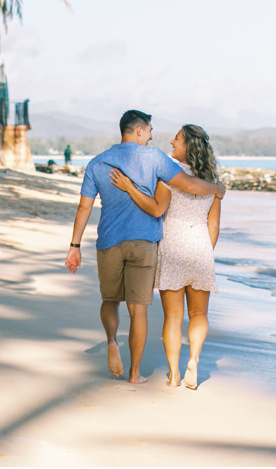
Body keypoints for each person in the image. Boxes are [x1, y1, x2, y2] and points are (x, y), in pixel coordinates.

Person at [64, 110, 225, 384]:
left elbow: (90, 207)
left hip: (135, 243)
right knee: (161, 311)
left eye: (176, 138)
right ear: (139, 130)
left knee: (122, 304)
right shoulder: (167, 164)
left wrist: (74, 245)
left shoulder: (101, 163)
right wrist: (216, 190)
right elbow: (202, 208)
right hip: (171, 246)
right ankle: (153, 369)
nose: (157, 137)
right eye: (150, 130)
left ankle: (128, 350)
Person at [110, 124, 221, 390]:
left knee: (173, 317)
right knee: (199, 313)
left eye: (178, 139)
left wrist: (129, 188)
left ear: (188, 146)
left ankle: (173, 375)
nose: (172, 141)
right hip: (200, 247)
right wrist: (205, 251)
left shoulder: (169, 177)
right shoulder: (214, 183)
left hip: (171, 247)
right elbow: (213, 226)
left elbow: (157, 210)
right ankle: (193, 359)